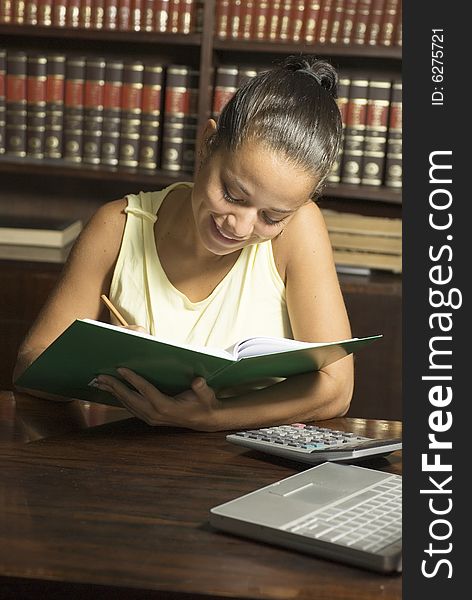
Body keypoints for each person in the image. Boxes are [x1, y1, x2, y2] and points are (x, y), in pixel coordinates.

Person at [13, 55, 354, 431]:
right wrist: (98, 359)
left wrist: (210, 418)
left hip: (253, 469)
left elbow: (337, 388)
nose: (240, 227)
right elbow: (30, 364)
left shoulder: (300, 228)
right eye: (233, 194)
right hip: (129, 462)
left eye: (271, 217)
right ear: (207, 143)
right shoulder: (117, 226)